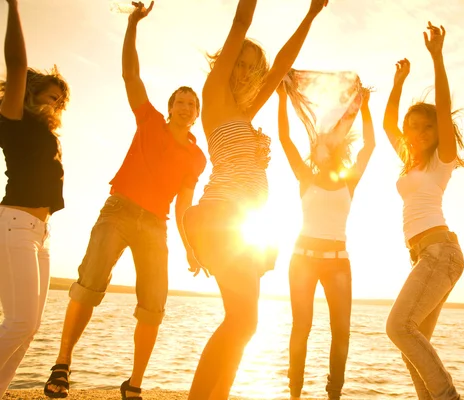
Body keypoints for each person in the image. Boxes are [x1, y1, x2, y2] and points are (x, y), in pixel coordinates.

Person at [43, 2, 206, 398]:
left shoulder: (196, 157)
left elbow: (184, 205)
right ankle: (62, 365)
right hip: (118, 210)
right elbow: (129, 73)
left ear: (196, 114)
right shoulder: (149, 120)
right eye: (180, 101)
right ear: (169, 108)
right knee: (90, 284)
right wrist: (133, 24)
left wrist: (191, 246)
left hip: (155, 224)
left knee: (154, 305)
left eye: (192, 103)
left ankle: (134, 385)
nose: (185, 106)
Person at [182, 1, 328, 399]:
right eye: (239, 62)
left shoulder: (245, 112)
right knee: (244, 320)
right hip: (220, 217)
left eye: (251, 66)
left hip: (244, 227)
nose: (244, 71)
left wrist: (311, 15)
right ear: (224, 64)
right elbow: (242, 19)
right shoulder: (213, 96)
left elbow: (281, 65)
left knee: (244, 323)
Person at [383, 22, 464, 400]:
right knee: (411, 347)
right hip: (423, 255)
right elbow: (388, 123)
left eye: (425, 127)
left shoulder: (441, 160)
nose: (416, 133)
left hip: (439, 252)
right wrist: (399, 81)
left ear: (437, 132)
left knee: (398, 328)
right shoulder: (409, 161)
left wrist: (437, 57)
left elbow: (444, 108)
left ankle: (448, 396)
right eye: (411, 127)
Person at [277, 77, 374, 400]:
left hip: (338, 264)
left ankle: (334, 395)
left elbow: (370, 147)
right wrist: (281, 98)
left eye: (326, 143)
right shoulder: (305, 178)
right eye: (317, 143)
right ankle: (294, 394)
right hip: (302, 259)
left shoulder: (349, 181)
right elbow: (286, 140)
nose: (321, 147)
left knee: (341, 332)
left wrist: (367, 108)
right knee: (301, 327)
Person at [0, 0, 70, 396]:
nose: (55, 103)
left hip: (40, 234)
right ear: (30, 93)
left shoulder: (48, 135)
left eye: (60, 99)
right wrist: (12, 5)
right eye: (49, 95)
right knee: (20, 324)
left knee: (28, 329)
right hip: (14, 226)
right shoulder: (14, 120)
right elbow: (14, 65)